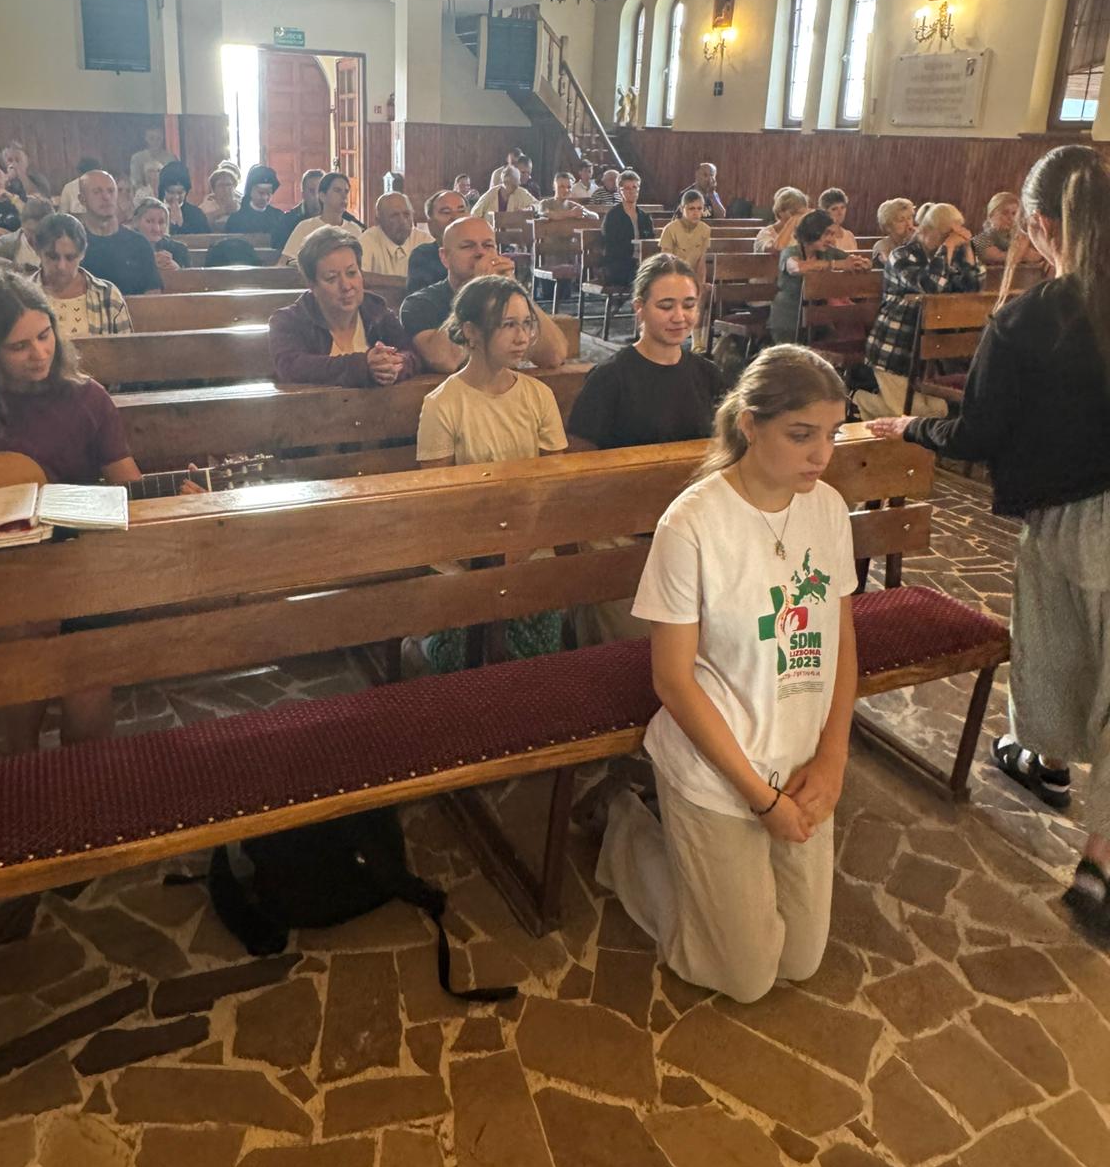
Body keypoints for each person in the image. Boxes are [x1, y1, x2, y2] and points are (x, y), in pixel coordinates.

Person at [869, 145, 1110, 937]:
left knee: (1063, 652)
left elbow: (980, 433)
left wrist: (910, 427)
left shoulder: (1032, 317)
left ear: (1038, 225)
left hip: (1080, 521)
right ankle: (1063, 796)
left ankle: (1087, 834)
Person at [596, 345, 857, 999]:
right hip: (717, 767)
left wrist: (832, 757)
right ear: (749, 424)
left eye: (832, 433)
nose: (821, 455)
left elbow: (841, 640)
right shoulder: (693, 523)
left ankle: (718, 876)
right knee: (742, 976)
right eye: (801, 435)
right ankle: (625, 832)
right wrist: (760, 799)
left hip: (799, 758)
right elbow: (673, 681)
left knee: (801, 958)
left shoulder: (826, 507)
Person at [0, 271, 145, 749]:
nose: (40, 353)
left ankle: (85, 780)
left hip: (76, 565)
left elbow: (130, 484)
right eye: (18, 347)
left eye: (45, 335)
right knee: (23, 636)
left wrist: (178, 491)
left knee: (86, 675)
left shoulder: (87, 398)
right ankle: (20, 768)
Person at [415, 274, 567, 671]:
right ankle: (428, 646)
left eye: (526, 324)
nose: (522, 337)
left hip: (529, 540)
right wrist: (485, 556)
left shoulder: (539, 396)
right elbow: (439, 499)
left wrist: (519, 547)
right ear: (471, 332)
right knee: (463, 659)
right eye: (507, 325)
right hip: (462, 548)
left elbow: (553, 485)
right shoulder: (443, 403)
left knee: (535, 657)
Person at [568, 254, 724, 450]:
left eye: (689, 305)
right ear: (639, 308)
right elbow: (580, 454)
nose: (679, 317)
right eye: (666, 306)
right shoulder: (609, 378)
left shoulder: (709, 375)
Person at [856, 201, 982, 418]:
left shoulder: (948, 257)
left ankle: (866, 403)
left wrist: (968, 249)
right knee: (908, 415)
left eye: (952, 236)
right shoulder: (901, 256)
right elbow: (930, 287)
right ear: (928, 230)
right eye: (946, 235)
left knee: (936, 410)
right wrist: (947, 248)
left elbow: (973, 287)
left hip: (928, 354)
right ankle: (857, 399)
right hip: (894, 348)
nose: (950, 241)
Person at [400, 216, 567, 374]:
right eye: (468, 246)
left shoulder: (510, 300)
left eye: (488, 246)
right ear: (445, 257)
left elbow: (554, 356)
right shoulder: (419, 304)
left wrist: (516, 289)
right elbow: (445, 360)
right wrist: (478, 288)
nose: (480, 253)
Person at [269, 225, 417, 387]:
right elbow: (291, 366)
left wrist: (393, 365)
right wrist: (363, 365)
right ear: (312, 285)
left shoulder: (376, 311)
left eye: (352, 273)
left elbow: (411, 353)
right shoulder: (289, 321)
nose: (346, 286)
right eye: (331, 278)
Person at [769, 209, 869, 345]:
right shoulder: (790, 251)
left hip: (819, 320)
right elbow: (797, 267)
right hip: (788, 320)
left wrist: (863, 263)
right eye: (827, 233)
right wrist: (835, 264)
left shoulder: (828, 252)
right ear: (813, 231)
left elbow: (852, 261)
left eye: (833, 234)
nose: (831, 240)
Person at [33, 213, 132, 339]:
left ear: (82, 254)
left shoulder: (107, 295)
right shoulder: (22, 295)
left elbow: (126, 348)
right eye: (53, 257)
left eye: (70, 258)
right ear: (38, 251)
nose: (61, 266)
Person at [77, 168, 161, 295]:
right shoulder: (75, 244)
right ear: (82, 199)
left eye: (111, 191)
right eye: (97, 192)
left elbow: (153, 293)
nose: (106, 197)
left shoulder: (138, 243)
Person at [280, 171, 365, 264]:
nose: (344, 196)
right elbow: (283, 262)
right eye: (337, 190)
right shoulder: (305, 227)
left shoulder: (354, 229)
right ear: (322, 196)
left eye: (346, 191)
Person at [407, 189, 468, 294]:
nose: (456, 218)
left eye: (461, 211)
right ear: (431, 225)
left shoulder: (482, 251)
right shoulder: (423, 256)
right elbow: (420, 300)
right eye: (446, 212)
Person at [358, 192, 432, 277]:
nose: (403, 221)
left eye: (406, 214)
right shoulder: (367, 241)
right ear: (378, 220)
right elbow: (360, 277)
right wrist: (411, 283)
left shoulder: (425, 241)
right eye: (394, 215)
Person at [601, 170, 653, 287]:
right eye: (627, 188)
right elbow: (610, 247)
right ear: (620, 191)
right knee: (642, 278)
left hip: (642, 263)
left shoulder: (644, 217)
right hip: (620, 265)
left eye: (635, 187)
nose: (631, 191)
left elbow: (650, 242)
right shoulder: (613, 216)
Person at [0, 196, 52, 271]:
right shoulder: (9, 241)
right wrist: (11, 265)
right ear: (22, 225)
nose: (34, 237)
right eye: (30, 231)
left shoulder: (55, 245)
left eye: (39, 232)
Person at [660, 191, 714, 286]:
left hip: (692, 280)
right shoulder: (670, 229)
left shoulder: (705, 230)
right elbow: (667, 263)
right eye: (691, 208)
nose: (696, 213)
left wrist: (700, 286)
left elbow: (701, 262)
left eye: (699, 208)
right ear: (682, 209)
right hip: (673, 279)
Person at [226, 166, 286, 248]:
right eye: (261, 193)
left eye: (269, 193)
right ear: (251, 191)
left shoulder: (279, 216)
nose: (265, 197)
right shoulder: (236, 219)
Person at [133, 197, 190, 271]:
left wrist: (177, 269)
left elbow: (191, 276)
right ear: (136, 222)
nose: (156, 228)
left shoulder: (179, 249)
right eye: (149, 221)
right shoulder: (126, 248)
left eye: (161, 222)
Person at [157, 163, 210, 234]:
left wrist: (181, 226)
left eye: (180, 193)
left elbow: (205, 238)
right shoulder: (152, 211)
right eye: (171, 192)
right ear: (163, 190)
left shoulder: (196, 215)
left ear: (186, 192)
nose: (176, 197)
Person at [278, 169, 325, 248]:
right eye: (312, 191)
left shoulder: (339, 217)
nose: (317, 196)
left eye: (320, 191)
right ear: (303, 194)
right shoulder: (288, 220)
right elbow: (280, 247)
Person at [472, 164, 538, 219]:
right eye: (513, 184)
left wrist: (529, 209)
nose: (517, 186)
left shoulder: (520, 192)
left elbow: (538, 205)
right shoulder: (491, 194)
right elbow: (474, 213)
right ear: (505, 182)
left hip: (514, 230)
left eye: (517, 184)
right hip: (490, 229)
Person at [754, 188, 810, 253]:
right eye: (793, 213)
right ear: (780, 212)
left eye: (801, 214)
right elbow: (774, 250)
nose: (798, 217)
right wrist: (791, 224)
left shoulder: (803, 234)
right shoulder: (766, 233)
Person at [128, 123, 177, 195]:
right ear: (146, 138)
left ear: (163, 138)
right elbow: (135, 182)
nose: (155, 142)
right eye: (152, 138)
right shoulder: (137, 158)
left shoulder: (171, 159)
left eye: (158, 138)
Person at [871, 198, 916, 267]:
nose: (908, 224)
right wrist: (908, 245)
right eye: (901, 220)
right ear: (888, 227)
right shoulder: (882, 245)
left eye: (909, 218)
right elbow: (892, 265)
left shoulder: (917, 242)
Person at [201, 163, 243, 230]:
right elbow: (199, 224)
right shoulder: (205, 206)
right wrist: (222, 211)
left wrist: (238, 212)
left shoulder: (242, 204)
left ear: (234, 187)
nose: (225, 189)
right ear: (213, 189)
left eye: (228, 185)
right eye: (221, 185)